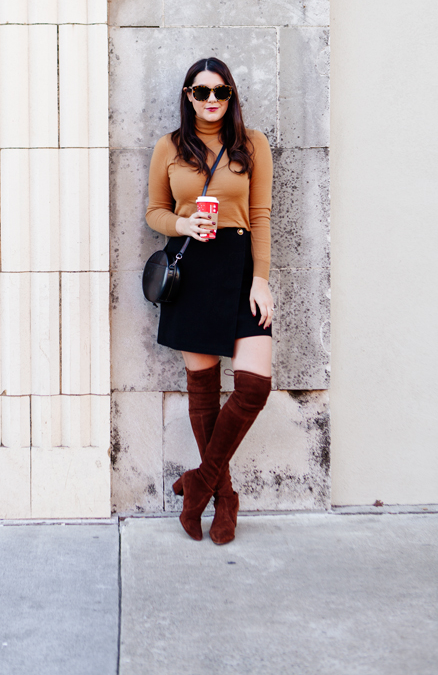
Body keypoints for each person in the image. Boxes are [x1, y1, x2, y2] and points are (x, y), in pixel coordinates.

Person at [145, 57, 274, 544]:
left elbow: (259, 216)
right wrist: (182, 224)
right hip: (191, 271)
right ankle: (224, 498)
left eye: (221, 92)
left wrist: (260, 280)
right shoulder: (170, 147)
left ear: (232, 95)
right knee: (203, 390)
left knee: (253, 387)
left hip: (240, 271)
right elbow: (154, 211)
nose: (212, 100)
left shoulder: (252, 145)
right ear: (187, 96)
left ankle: (198, 482)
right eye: (202, 92)